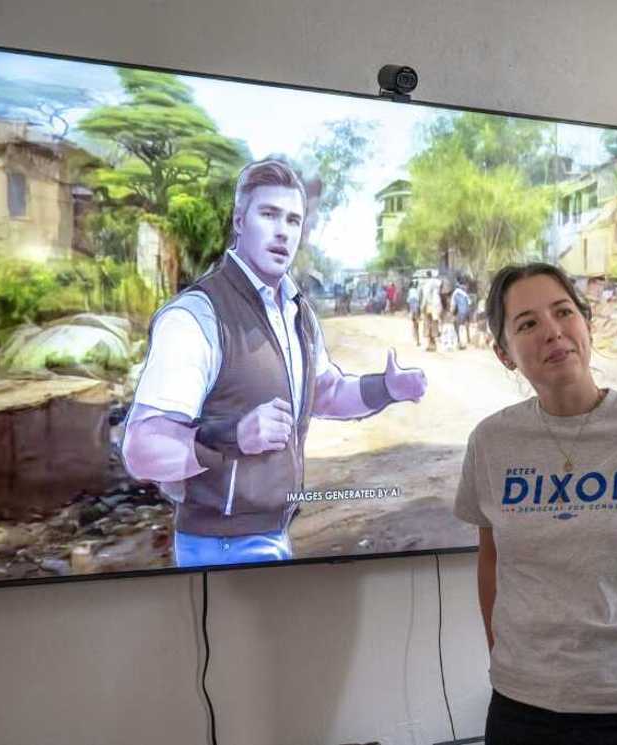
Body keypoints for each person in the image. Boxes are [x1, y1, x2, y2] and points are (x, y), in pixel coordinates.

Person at [455, 262, 617, 745]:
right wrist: (503, 654)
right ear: (504, 353)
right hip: (525, 706)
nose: (553, 332)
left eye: (563, 312)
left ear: (587, 322)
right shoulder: (492, 442)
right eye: (528, 324)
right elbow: (492, 556)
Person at [122, 158, 427, 568]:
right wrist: (234, 435)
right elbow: (141, 448)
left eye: (293, 220)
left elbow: (327, 392)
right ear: (240, 220)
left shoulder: (297, 310)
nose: (283, 230)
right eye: (269, 214)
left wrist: (387, 388)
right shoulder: (195, 316)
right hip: (218, 545)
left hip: (275, 534)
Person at [452, 282, 471, 350]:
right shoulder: (464, 293)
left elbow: (454, 305)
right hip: (466, 312)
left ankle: (459, 341)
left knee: (456, 326)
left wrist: (453, 314)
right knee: (466, 326)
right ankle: (468, 339)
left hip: (459, 312)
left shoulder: (455, 293)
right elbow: (469, 303)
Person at [406, 279, 421, 346]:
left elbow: (408, 301)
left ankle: (416, 339)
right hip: (417, 309)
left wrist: (408, 310)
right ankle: (417, 340)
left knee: (414, 324)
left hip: (413, 309)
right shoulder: (417, 291)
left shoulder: (410, 291)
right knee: (416, 325)